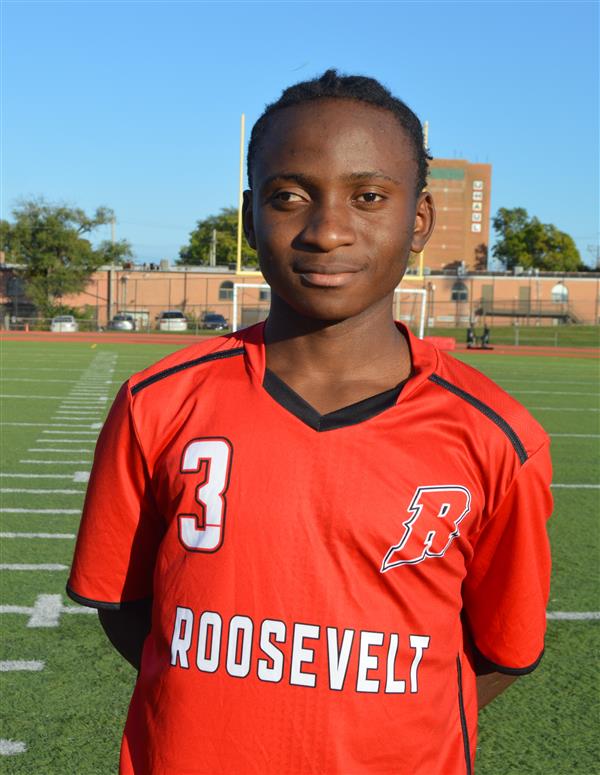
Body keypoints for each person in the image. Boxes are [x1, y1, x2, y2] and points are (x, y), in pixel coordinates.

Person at [67, 70, 553, 775]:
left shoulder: (497, 436)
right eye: (290, 196)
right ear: (249, 217)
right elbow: (127, 609)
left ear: (419, 220)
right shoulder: (157, 402)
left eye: (368, 196)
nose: (327, 231)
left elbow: (503, 648)